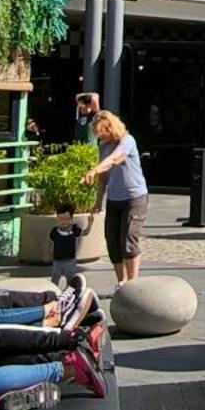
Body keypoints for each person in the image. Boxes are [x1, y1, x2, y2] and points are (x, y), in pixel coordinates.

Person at [87, 110, 150, 286]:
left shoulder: (127, 141)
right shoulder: (103, 146)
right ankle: (121, 281)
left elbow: (115, 159)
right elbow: (104, 176)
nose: (100, 136)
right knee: (112, 241)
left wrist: (94, 170)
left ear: (111, 128)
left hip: (134, 198)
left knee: (128, 239)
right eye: (97, 133)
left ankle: (132, 283)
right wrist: (98, 201)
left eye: (102, 132)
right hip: (114, 199)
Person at [48, 204, 94, 290]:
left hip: (70, 261)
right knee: (55, 279)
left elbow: (85, 233)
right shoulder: (54, 231)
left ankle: (70, 295)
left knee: (71, 281)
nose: (64, 222)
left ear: (71, 219)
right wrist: (51, 257)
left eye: (67, 219)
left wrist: (90, 223)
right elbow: (51, 244)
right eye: (61, 219)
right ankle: (53, 294)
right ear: (57, 219)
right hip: (57, 261)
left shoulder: (74, 230)